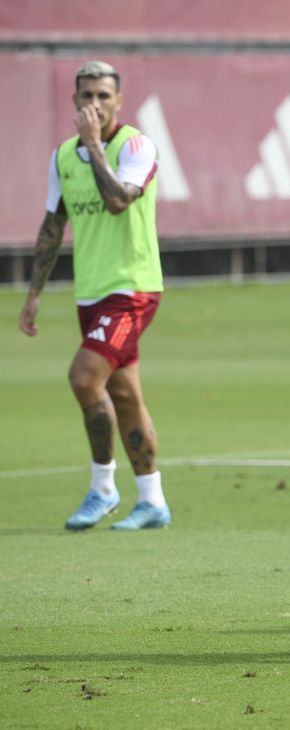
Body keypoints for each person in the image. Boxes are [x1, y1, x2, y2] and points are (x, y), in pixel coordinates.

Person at [18, 61, 170, 531]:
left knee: (85, 378)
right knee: (124, 395)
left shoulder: (136, 146)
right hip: (91, 294)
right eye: (87, 95)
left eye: (104, 96)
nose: (95, 105)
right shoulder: (63, 157)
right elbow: (52, 226)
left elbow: (118, 199)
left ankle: (103, 488)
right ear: (74, 100)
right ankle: (153, 501)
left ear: (118, 102)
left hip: (133, 288)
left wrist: (93, 148)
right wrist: (34, 294)